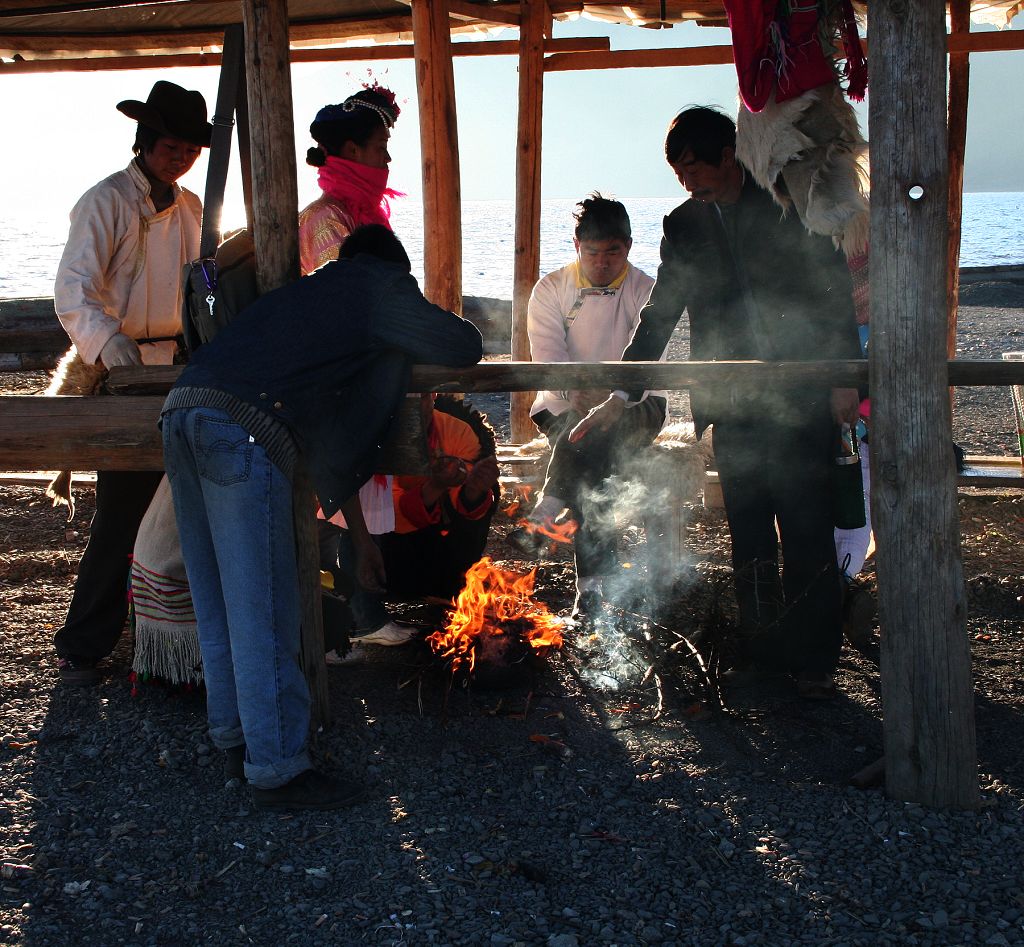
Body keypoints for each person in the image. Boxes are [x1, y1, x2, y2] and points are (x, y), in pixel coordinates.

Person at [160, 225, 483, 809]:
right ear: (397, 271)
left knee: (215, 595)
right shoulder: (377, 285)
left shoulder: (308, 291)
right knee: (266, 604)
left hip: (183, 410)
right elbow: (462, 346)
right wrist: (405, 302)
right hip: (242, 430)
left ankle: (235, 738)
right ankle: (279, 768)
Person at [570, 107, 862, 699]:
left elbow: (831, 291)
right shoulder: (684, 225)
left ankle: (815, 660)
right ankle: (764, 656)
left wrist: (844, 378)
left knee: (807, 526)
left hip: (802, 390)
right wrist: (625, 391)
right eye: (679, 175)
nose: (689, 184)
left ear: (729, 156)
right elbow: (661, 313)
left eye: (695, 170)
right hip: (731, 403)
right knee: (749, 531)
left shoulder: (786, 202)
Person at [52, 80, 210, 685]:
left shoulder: (194, 208)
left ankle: (163, 639)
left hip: (183, 366)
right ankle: (85, 644)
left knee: (182, 510)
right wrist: (111, 346)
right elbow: (73, 291)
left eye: (191, 148)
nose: (181, 157)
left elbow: (207, 282)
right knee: (122, 512)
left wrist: (215, 322)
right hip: (121, 370)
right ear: (146, 141)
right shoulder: (105, 201)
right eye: (172, 145)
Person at [509, 194, 667, 620]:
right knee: (593, 463)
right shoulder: (551, 289)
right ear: (577, 246)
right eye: (593, 253)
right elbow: (548, 356)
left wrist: (611, 395)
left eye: (612, 253)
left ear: (629, 248)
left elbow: (650, 363)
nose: (602, 263)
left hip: (638, 404)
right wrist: (576, 390)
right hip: (565, 403)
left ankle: (550, 504)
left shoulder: (644, 290)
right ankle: (594, 588)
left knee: (589, 450)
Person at [298, 83, 418, 648]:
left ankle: (360, 616)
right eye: (379, 147)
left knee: (356, 489)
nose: (387, 158)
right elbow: (348, 302)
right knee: (343, 488)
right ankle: (353, 620)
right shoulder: (328, 219)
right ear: (349, 150)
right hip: (337, 369)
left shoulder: (360, 210)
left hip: (361, 363)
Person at [326, 394, 500, 663]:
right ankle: (365, 619)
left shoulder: (457, 430)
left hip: (441, 550)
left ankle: (450, 589)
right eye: (403, 394)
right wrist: (434, 487)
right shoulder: (371, 431)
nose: (417, 403)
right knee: (368, 505)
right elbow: (388, 515)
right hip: (389, 556)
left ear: (432, 396)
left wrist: (473, 491)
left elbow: (463, 506)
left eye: (423, 394)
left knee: (488, 493)